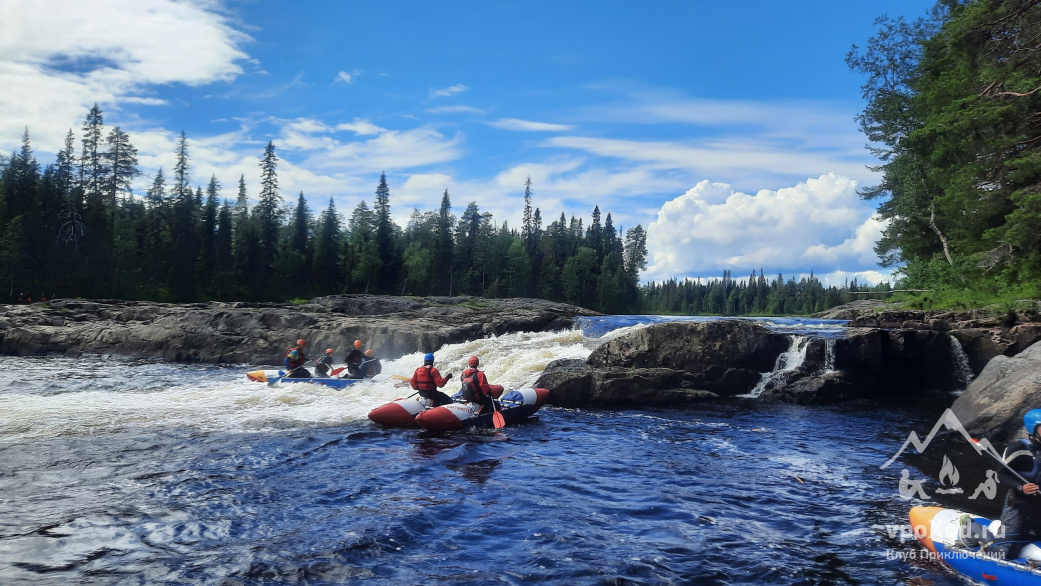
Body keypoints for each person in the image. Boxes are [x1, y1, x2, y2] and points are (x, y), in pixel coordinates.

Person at [993, 409, 1041, 557]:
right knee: (1004, 548)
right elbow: (1000, 474)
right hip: (1020, 505)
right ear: (1034, 428)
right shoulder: (1017, 448)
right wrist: (1021, 487)